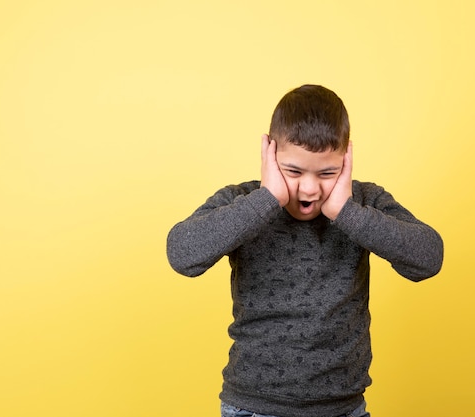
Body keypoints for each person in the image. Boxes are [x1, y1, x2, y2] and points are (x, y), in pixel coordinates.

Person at [166, 84, 444, 417]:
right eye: (293, 171)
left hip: (344, 409)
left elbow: (428, 258)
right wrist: (267, 200)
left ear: (346, 159)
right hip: (255, 408)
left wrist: (346, 212)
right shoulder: (243, 202)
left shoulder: (363, 203)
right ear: (269, 154)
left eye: (328, 172)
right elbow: (182, 254)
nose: (309, 188)